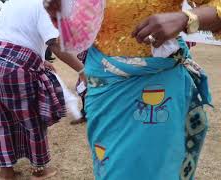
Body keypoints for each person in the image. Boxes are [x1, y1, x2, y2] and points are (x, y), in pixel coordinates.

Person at [45, 0, 221, 179]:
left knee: (155, 169)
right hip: (103, 85)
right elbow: (79, 29)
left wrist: (186, 18)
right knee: (111, 168)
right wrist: (61, 11)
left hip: (158, 81)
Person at [0, 0, 85, 179]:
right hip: (17, 70)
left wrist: (40, 59)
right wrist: (83, 70)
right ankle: (39, 169)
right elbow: (54, 44)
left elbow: (11, 36)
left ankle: (6, 171)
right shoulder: (42, 4)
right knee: (33, 120)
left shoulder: (10, 3)